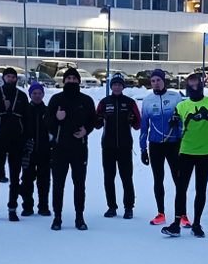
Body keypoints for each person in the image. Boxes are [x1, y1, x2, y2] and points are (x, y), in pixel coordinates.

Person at [162, 73, 208, 238]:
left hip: (205, 151)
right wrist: (173, 120)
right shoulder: (182, 105)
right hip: (186, 151)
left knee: (201, 189)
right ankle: (176, 223)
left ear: (201, 84)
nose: (194, 87)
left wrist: (204, 114)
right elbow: (175, 117)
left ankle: (197, 224)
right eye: (191, 85)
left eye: (196, 84)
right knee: (181, 188)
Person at [46, 68, 95, 231]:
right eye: (69, 78)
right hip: (59, 149)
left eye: (74, 78)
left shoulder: (87, 101)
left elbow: (93, 121)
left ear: (79, 81)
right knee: (58, 184)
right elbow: (47, 121)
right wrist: (56, 118)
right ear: (64, 81)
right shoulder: (56, 99)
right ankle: (57, 217)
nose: (71, 81)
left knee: (79, 184)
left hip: (79, 149)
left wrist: (86, 131)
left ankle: (79, 217)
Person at [139, 69, 188, 227]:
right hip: (155, 146)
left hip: (174, 145)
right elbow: (143, 128)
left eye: (158, 80)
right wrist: (143, 150)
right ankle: (161, 213)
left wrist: (179, 130)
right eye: (153, 81)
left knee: (179, 181)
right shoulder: (147, 101)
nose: (156, 83)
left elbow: (184, 119)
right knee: (158, 179)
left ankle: (183, 214)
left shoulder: (175, 97)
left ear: (164, 80)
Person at [0, 67, 30, 221]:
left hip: (16, 141)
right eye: (8, 76)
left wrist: (25, 141)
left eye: (13, 77)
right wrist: (2, 106)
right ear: (3, 78)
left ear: (16, 79)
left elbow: (26, 119)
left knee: (15, 177)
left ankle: (12, 208)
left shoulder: (22, 96)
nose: (10, 79)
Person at [95, 74, 141, 219]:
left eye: (119, 85)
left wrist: (134, 120)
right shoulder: (104, 102)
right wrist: (97, 119)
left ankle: (128, 207)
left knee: (126, 177)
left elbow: (138, 125)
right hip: (108, 146)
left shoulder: (130, 103)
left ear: (123, 87)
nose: (116, 87)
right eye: (114, 85)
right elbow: (96, 125)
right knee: (109, 177)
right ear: (111, 87)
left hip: (125, 146)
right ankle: (111, 207)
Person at [20, 82, 51, 217]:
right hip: (28, 150)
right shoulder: (25, 110)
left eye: (39, 93)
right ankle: (27, 206)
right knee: (27, 179)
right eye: (34, 93)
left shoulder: (48, 111)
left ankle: (43, 206)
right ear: (30, 95)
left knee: (44, 180)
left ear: (43, 95)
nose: (37, 96)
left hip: (45, 150)